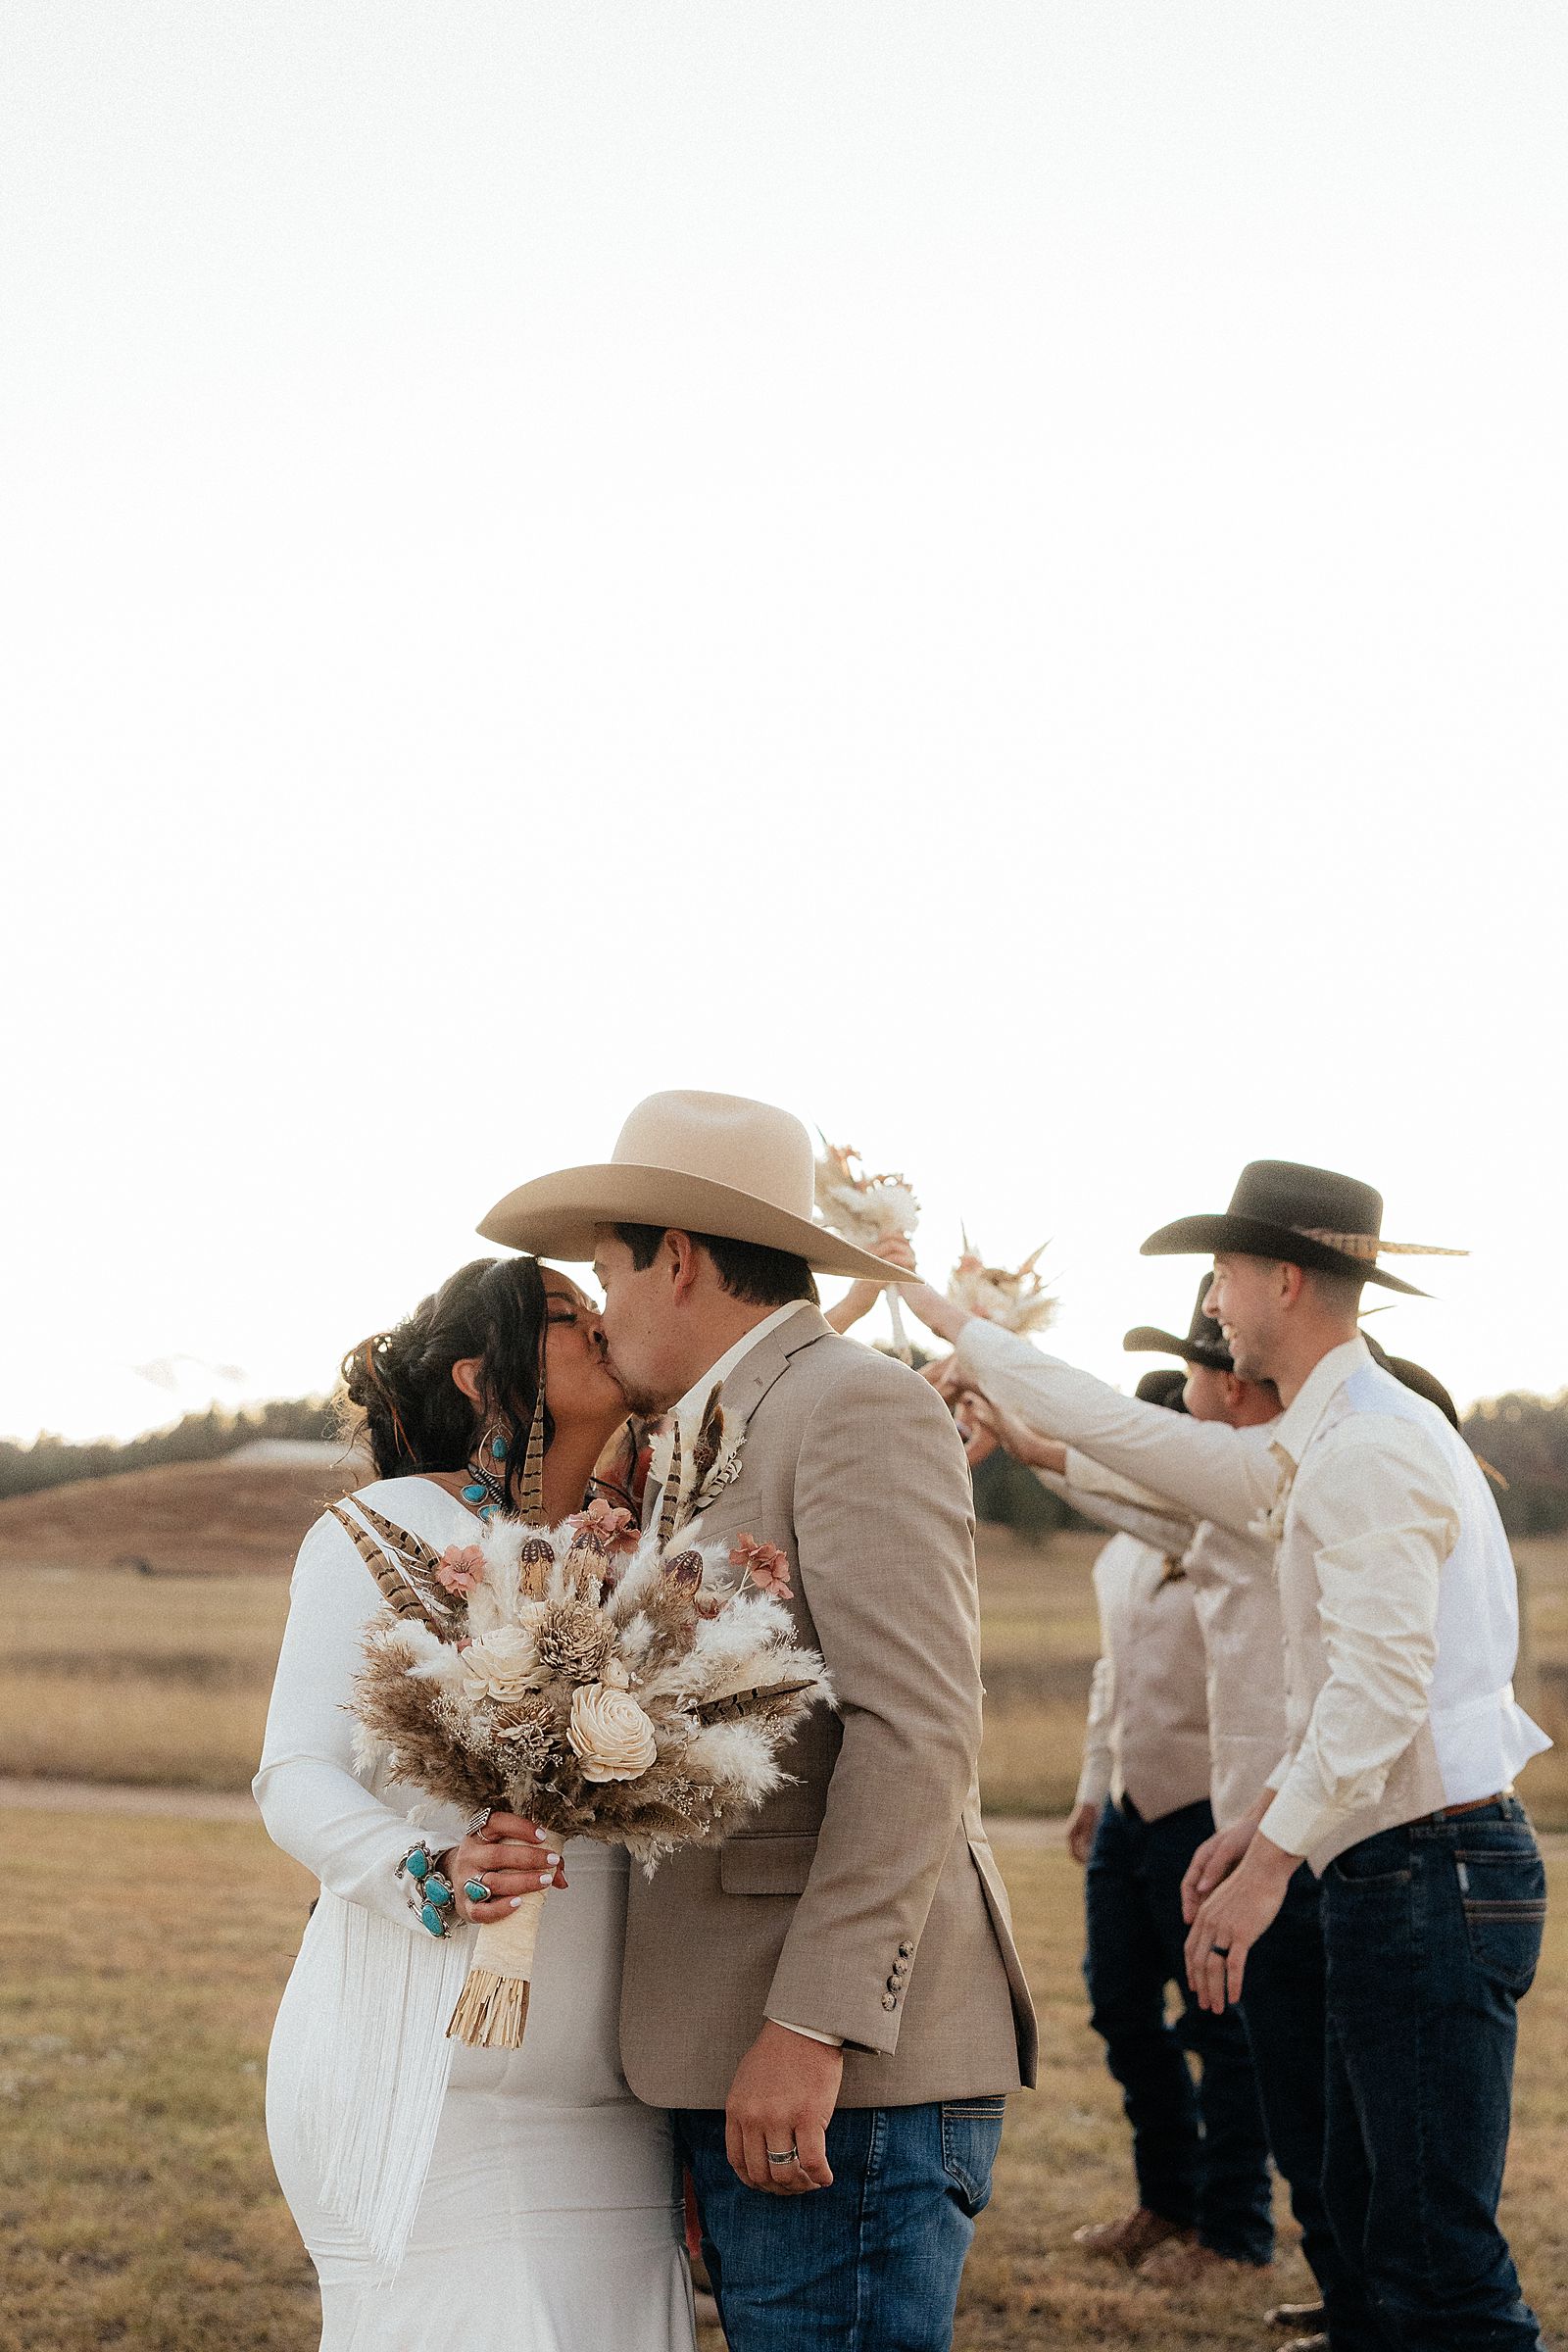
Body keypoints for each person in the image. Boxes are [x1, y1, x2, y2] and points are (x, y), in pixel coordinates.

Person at [905, 1159, 1551, 2352]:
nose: (1210, 1301)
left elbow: (1379, 1692)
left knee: (1434, 2260)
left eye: (1221, 1273)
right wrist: (949, 1320)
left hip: (1430, 1870)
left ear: (1284, 1282)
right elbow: (1123, 1432)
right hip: (1399, 1864)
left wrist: (1265, 1866)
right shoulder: (1326, 1436)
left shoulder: (1367, 1445)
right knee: (1370, 2214)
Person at [476, 1089, 1037, 2352]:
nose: (600, 1311)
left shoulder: (855, 1407)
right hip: (735, 2048)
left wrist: (808, 2025)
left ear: (675, 1259)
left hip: (841, 2076)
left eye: (606, 1273)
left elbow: (916, 1732)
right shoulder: (712, 1433)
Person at [255, 1253, 698, 2352]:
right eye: (564, 1315)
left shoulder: (642, 1557)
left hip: (613, 2100)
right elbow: (295, 1771)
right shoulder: (385, 1528)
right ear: (477, 1375)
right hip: (425, 2069)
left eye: (600, 1303)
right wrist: (428, 1871)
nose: (600, 1324)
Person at [1004, 1359, 1277, 2279]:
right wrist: (1093, 1786)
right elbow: (1112, 1676)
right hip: (1129, 1812)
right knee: (1118, 2005)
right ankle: (1166, 2199)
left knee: (1222, 2026)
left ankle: (1234, 2232)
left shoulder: (1226, 1542)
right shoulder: (1118, 1554)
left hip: (1210, 1810)